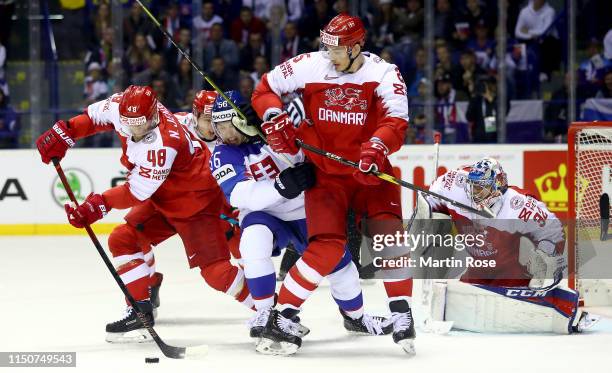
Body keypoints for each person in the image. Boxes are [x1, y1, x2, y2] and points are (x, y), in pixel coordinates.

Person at [251, 13, 415, 355]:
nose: (329, 55)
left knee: (390, 235)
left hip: (370, 172)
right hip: (326, 175)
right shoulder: (310, 65)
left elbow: (396, 121)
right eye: (325, 47)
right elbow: (265, 88)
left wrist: (377, 146)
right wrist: (272, 115)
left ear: (357, 47)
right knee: (326, 246)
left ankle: (402, 312)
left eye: (336, 49)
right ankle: (284, 316)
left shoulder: (383, 73)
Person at [35, 85, 253, 343]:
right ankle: (140, 309)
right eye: (130, 124)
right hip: (163, 198)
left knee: (216, 273)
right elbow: (92, 118)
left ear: (154, 116)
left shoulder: (164, 143)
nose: (135, 131)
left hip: (196, 206)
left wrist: (97, 205)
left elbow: (135, 191)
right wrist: (66, 132)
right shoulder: (121, 106)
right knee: (123, 238)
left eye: (141, 125)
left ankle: (268, 308)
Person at [208, 90, 392, 346]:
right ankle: (265, 315)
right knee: (252, 242)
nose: (225, 135)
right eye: (219, 127)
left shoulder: (271, 132)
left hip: (304, 209)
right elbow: (237, 195)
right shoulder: (222, 153)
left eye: (230, 126)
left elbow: (301, 152)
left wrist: (271, 131)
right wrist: (279, 188)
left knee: (343, 268)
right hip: (264, 214)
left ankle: (356, 317)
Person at [418, 157, 597, 334]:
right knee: (458, 296)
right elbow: (429, 199)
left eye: (481, 187)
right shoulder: (454, 184)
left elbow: (553, 230)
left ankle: (566, 309)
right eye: (473, 185)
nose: (474, 192)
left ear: (498, 185)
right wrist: (430, 218)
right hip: (479, 268)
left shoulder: (518, 204)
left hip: (511, 272)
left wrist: (544, 259)